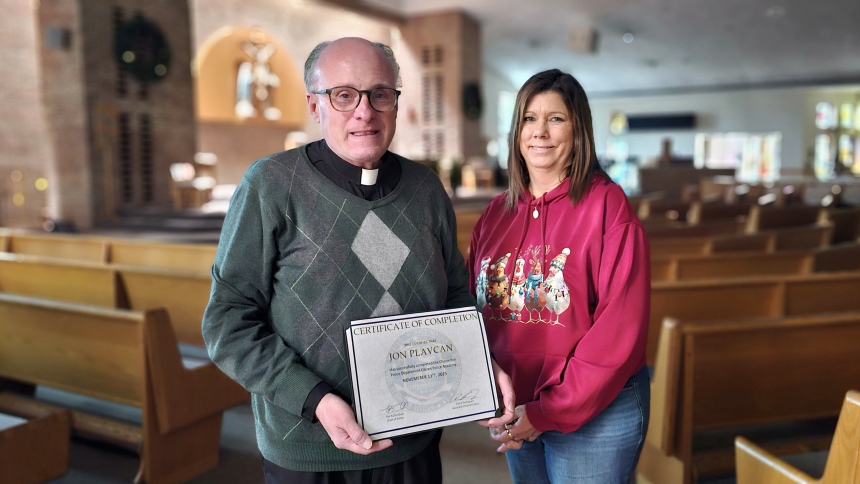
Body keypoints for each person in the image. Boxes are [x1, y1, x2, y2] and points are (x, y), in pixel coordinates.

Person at [203, 37, 512, 484]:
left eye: (379, 94)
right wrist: (313, 398)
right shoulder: (271, 186)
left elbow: (455, 297)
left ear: (394, 103)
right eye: (344, 96)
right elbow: (227, 321)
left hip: (413, 440)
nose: (364, 112)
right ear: (315, 106)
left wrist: (486, 365)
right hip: (309, 444)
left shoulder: (426, 189)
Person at [467, 69, 651, 483]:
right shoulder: (496, 215)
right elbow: (470, 307)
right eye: (530, 119)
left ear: (578, 129)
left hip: (595, 411)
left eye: (556, 119)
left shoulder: (608, 206)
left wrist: (548, 411)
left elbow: (618, 332)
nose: (540, 133)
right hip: (518, 406)